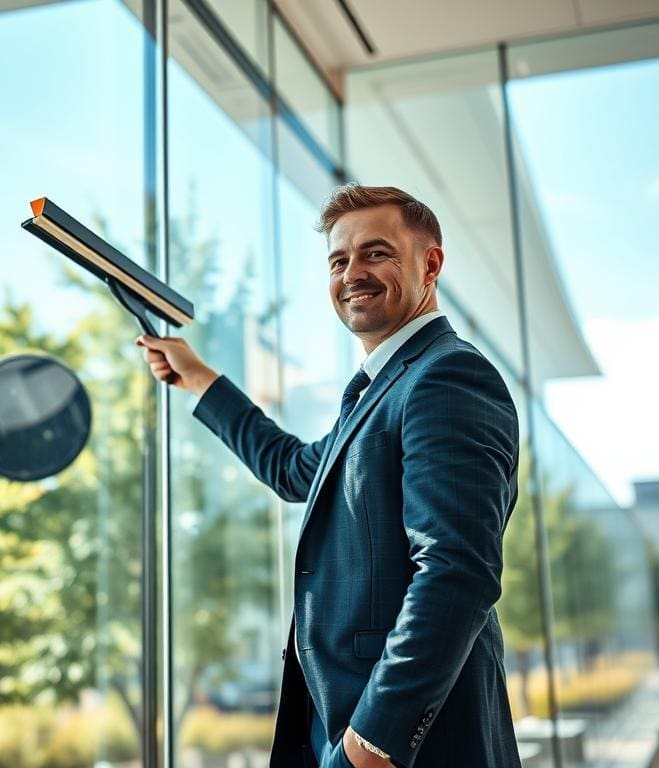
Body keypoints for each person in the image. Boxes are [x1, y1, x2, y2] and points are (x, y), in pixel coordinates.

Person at [137, 184, 522, 768]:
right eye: (339, 261)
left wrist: (373, 743)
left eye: (376, 253)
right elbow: (296, 470)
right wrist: (201, 380)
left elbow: (456, 571)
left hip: (402, 745)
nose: (352, 274)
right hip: (340, 723)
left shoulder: (447, 378)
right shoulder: (380, 391)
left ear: (431, 264)